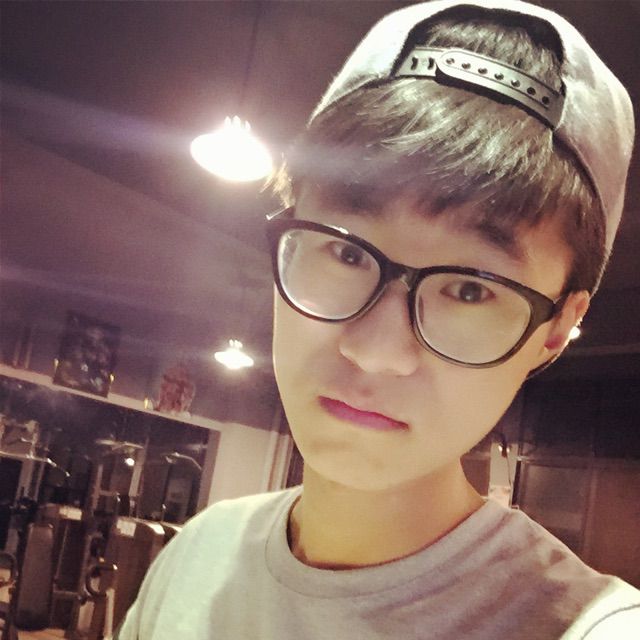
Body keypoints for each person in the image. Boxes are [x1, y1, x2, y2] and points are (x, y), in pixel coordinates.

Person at [115, 1, 638, 638]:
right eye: (346, 252)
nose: (376, 350)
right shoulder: (196, 556)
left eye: (470, 290)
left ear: (554, 331)